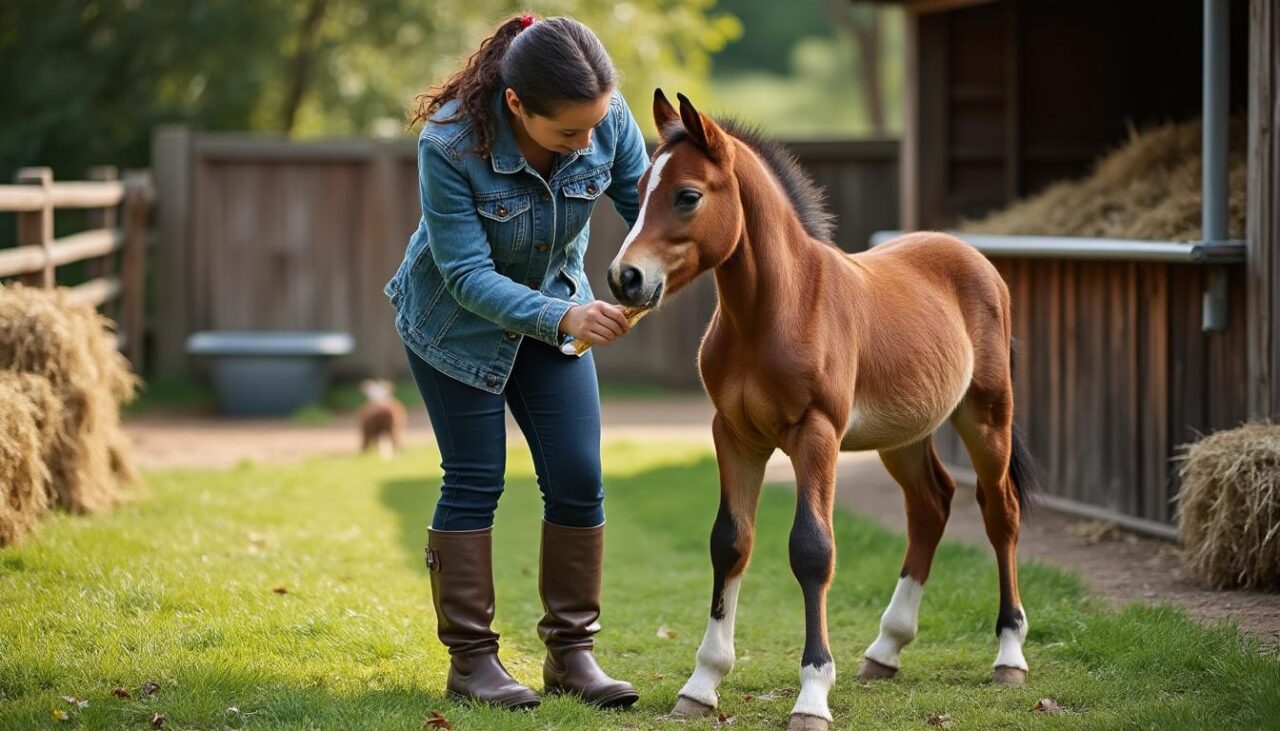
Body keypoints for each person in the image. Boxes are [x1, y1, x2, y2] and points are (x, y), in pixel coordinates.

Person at [384, 12, 649, 710]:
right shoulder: (448, 143)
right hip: (455, 326)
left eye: (595, 126)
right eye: (568, 133)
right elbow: (467, 275)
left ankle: (572, 655)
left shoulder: (605, 117)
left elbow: (649, 212)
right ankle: (472, 664)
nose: (587, 142)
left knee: (578, 474)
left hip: (557, 313)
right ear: (515, 104)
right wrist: (565, 316)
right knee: (475, 478)